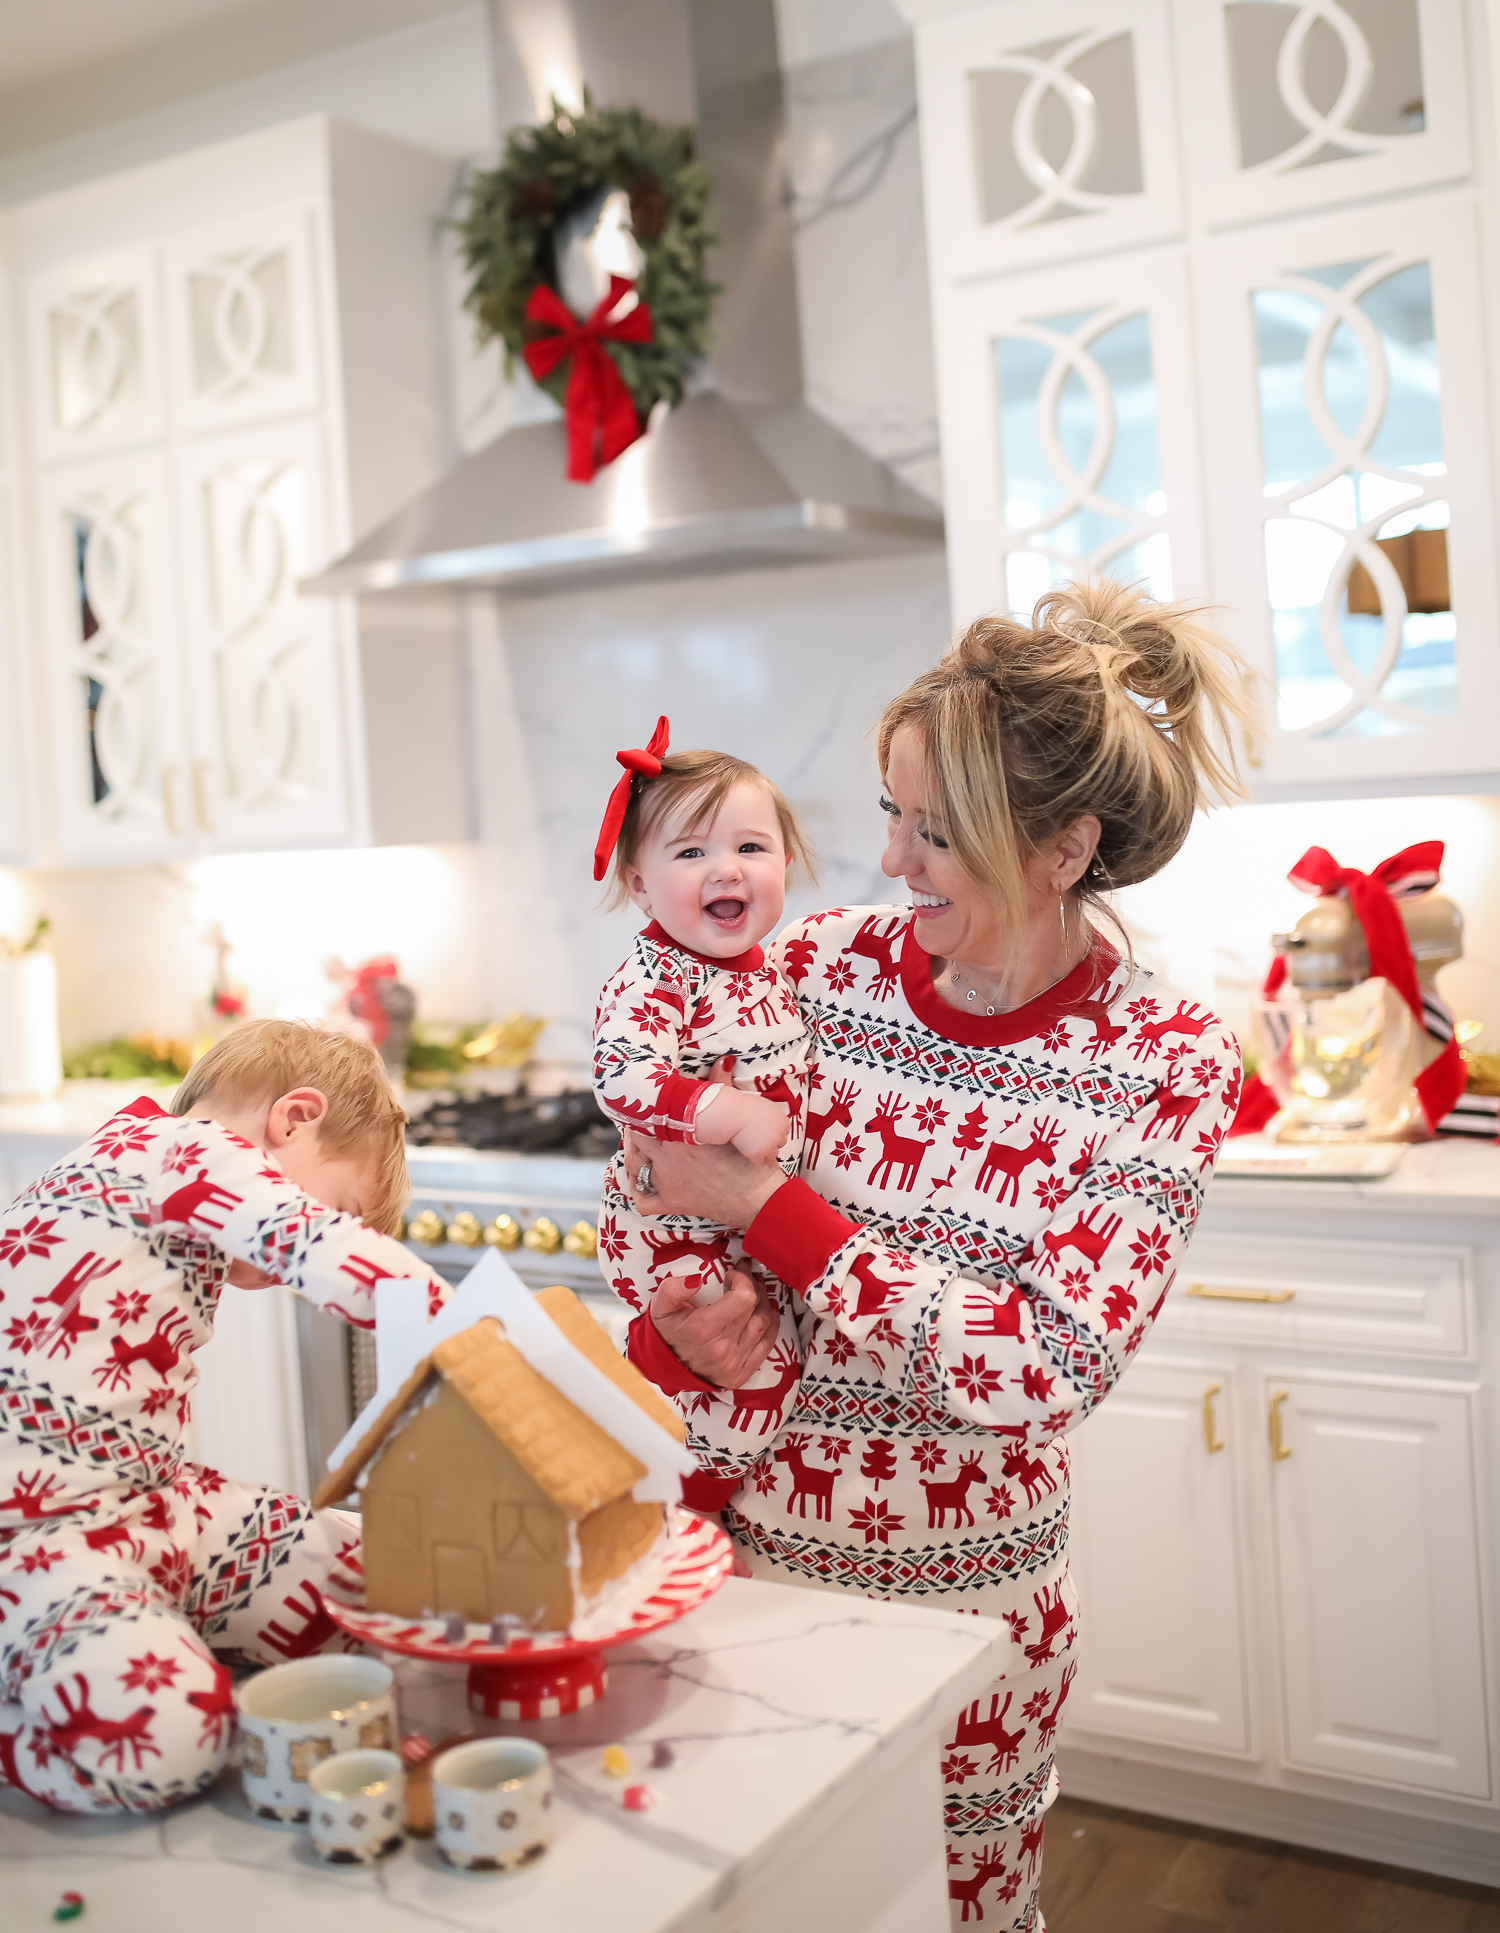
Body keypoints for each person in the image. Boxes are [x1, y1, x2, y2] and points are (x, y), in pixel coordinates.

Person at [619, 583, 1256, 1933]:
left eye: (937, 831)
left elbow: (1040, 1361)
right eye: (890, 816)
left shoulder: (1164, 1058)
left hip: (970, 1625)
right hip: (743, 1579)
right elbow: (654, 1178)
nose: (896, 863)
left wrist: (769, 1209)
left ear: (1065, 849)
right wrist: (671, 1321)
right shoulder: (811, 966)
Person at [0, 1020, 450, 1814]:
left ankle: (138, 1624)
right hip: (35, 1540)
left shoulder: (144, 1159)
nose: (335, 1220)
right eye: (345, 1202)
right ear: (293, 1118)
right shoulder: (186, 1148)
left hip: (148, 1506)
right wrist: (461, 1329)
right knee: (175, 1740)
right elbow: (307, 1239)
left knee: (372, 1571)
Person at [592, 720, 814, 1308]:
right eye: (691, 852)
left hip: (758, 1233)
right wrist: (728, 1112)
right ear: (640, 886)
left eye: (751, 847)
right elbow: (624, 1076)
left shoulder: (773, 968)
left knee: (777, 1380)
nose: (727, 868)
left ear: (784, 863)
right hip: (679, 1242)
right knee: (728, 1384)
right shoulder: (657, 976)